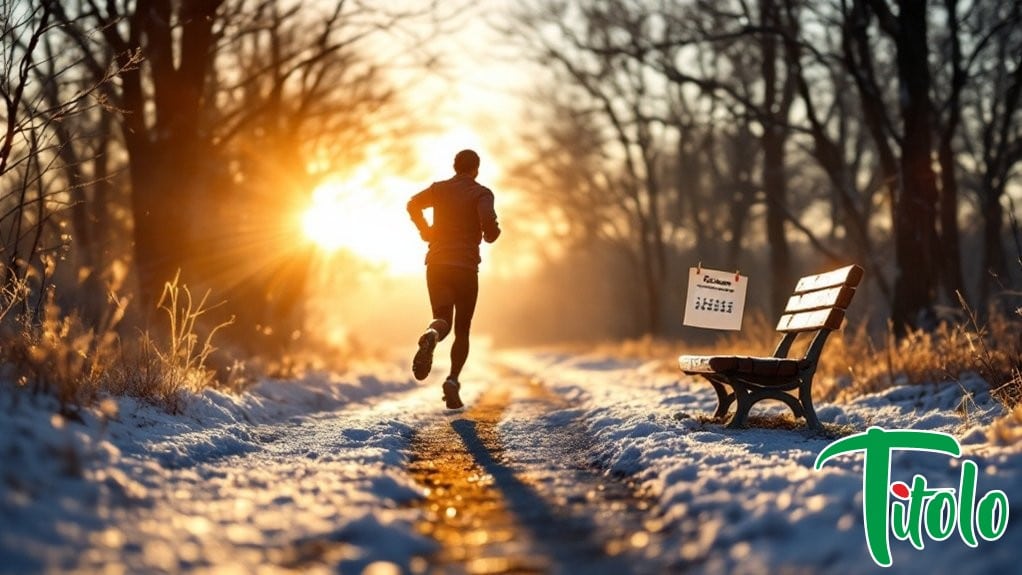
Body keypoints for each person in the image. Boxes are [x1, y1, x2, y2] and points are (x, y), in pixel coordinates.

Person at [407, 149, 501, 409]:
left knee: (443, 319)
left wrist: (426, 231)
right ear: (476, 169)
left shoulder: (438, 190)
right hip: (466, 269)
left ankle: (431, 334)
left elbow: (412, 204)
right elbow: (488, 225)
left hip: (436, 264)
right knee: (462, 329)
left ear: (454, 166)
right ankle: (452, 380)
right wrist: (491, 230)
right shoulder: (481, 193)